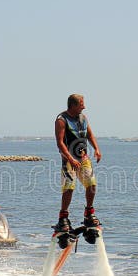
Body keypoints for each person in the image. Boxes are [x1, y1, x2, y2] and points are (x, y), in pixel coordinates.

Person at [54, 93, 102, 233]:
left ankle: (88, 213)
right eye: (82, 104)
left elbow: (89, 134)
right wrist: (71, 159)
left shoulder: (83, 118)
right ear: (73, 105)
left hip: (83, 158)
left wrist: (97, 149)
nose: (84, 107)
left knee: (91, 184)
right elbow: (60, 143)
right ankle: (63, 217)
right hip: (68, 159)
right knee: (69, 187)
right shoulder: (62, 120)